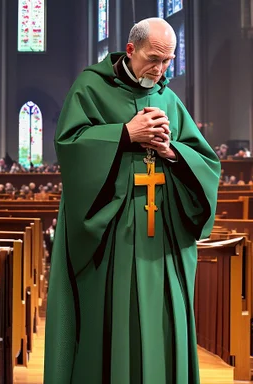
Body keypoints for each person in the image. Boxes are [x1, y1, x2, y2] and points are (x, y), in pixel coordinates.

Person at [44, 17, 221, 383]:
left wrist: (172, 152)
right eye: (153, 59)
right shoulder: (91, 88)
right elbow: (70, 146)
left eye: (167, 62)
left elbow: (206, 163)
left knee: (163, 320)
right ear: (130, 50)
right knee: (114, 320)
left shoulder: (167, 98)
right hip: (113, 237)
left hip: (162, 238)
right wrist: (125, 134)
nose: (159, 70)